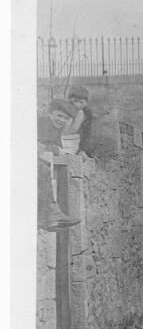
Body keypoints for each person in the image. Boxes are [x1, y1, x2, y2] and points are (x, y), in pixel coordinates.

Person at [37, 99, 81, 230]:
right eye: (59, 116)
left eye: (65, 118)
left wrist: (55, 149)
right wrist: (55, 149)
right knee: (43, 169)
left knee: (44, 169)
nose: (61, 120)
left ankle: (51, 216)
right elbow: (40, 145)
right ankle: (50, 215)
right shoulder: (42, 123)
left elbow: (53, 147)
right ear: (50, 114)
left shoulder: (56, 129)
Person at [64, 84, 94, 155]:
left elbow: (87, 133)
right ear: (69, 100)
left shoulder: (87, 113)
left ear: (86, 102)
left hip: (77, 145)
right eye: (75, 101)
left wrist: (83, 150)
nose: (77, 105)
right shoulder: (63, 110)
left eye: (81, 102)